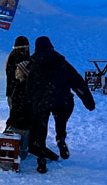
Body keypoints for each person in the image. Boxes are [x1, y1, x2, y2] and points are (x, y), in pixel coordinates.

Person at [27, 36, 96, 174]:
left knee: (41, 130)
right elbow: (76, 80)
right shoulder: (61, 62)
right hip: (61, 99)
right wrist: (88, 101)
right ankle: (60, 138)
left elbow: (29, 87)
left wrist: (29, 103)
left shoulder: (34, 64)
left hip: (41, 102)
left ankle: (41, 159)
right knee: (60, 121)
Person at [5, 36, 31, 107]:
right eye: (26, 47)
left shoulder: (12, 57)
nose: (27, 49)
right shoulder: (18, 59)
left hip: (12, 92)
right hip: (18, 93)